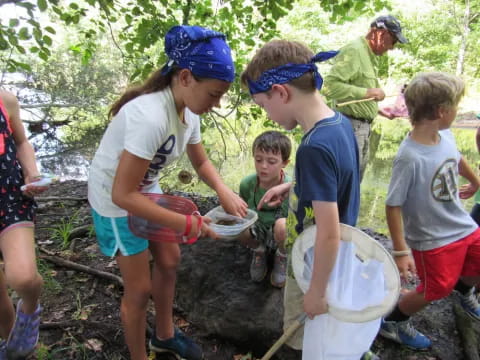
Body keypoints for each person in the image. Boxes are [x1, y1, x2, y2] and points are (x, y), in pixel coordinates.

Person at [87, 25, 247, 360]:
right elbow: (122, 194)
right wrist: (184, 223)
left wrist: (223, 191)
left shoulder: (189, 110)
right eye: (214, 94)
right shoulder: (150, 116)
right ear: (186, 77)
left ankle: (164, 336)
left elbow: (200, 161)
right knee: (139, 288)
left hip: (143, 188)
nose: (216, 104)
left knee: (170, 260)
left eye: (221, 96)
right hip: (114, 199)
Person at [241, 40, 378, 360]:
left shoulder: (313, 147)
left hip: (314, 262)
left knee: (298, 337)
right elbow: (337, 184)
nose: (268, 114)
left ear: (281, 92)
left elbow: (328, 232)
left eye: (263, 105)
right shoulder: (339, 124)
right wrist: (293, 187)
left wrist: (315, 292)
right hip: (334, 259)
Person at [381, 72, 480, 350]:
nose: (457, 112)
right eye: (455, 107)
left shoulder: (444, 134)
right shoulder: (409, 157)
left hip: (460, 224)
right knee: (436, 288)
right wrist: (401, 251)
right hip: (432, 238)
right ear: (441, 111)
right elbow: (392, 205)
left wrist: (475, 180)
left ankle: (463, 291)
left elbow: (456, 158)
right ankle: (394, 322)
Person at [323, 14, 408, 180]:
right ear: (380, 34)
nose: (392, 48)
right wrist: (369, 92)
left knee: (353, 184)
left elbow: (354, 98)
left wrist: (380, 111)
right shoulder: (355, 50)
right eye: (393, 41)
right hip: (350, 128)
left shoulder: (368, 55)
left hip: (362, 129)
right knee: (346, 184)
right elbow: (329, 87)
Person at [0, 90, 46, 359]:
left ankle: (30, 308)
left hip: (9, 197)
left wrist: (32, 171)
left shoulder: (5, 99)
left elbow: (21, 142)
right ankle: (12, 346)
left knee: (24, 277)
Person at [238, 130, 291, 287]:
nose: (263, 167)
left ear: (285, 163)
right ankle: (259, 251)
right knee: (237, 222)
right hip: (258, 230)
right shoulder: (247, 184)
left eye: (272, 161)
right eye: (258, 160)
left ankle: (282, 256)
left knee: (283, 226)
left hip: (280, 233)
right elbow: (242, 211)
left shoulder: (292, 187)